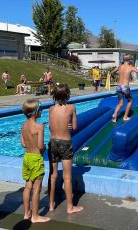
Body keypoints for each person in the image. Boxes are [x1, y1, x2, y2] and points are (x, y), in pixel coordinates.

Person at [47, 84, 83, 214]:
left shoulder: (51, 109)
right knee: (67, 177)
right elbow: (74, 127)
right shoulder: (71, 108)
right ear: (67, 95)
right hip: (65, 143)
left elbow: (50, 126)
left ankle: (51, 204)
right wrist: (68, 124)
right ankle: (70, 207)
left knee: (53, 175)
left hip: (53, 142)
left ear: (55, 96)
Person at [20, 99, 50, 223]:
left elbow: (22, 144)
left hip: (27, 157)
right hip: (36, 158)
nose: (42, 111)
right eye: (40, 109)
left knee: (28, 186)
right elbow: (40, 146)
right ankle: (35, 216)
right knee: (37, 188)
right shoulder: (39, 126)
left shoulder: (24, 125)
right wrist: (45, 147)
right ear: (35, 112)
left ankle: (27, 213)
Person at [110, 56, 138, 123]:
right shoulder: (130, 67)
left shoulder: (120, 67)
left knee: (120, 103)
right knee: (130, 101)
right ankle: (125, 117)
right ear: (129, 60)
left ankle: (114, 116)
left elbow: (112, 72)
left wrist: (116, 74)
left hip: (118, 87)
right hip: (125, 87)